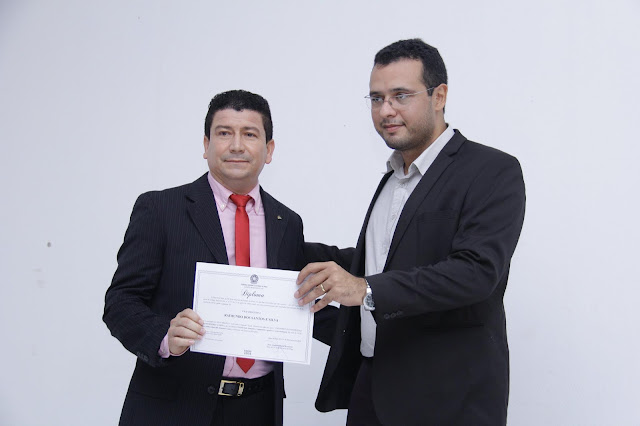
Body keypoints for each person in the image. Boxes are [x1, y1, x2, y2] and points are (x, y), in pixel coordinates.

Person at [296, 39, 526, 425]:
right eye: (376, 98)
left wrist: (365, 289)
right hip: (372, 388)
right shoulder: (393, 177)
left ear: (439, 96)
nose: (386, 110)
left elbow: (475, 272)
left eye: (400, 95)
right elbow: (381, 263)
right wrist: (282, 245)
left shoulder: (491, 170)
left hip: (447, 400)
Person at [104, 90, 305, 426]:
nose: (237, 146)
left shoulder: (288, 222)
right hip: (175, 406)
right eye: (224, 133)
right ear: (206, 145)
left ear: (269, 149)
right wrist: (164, 337)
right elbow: (120, 302)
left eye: (250, 134)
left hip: (258, 407)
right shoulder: (161, 209)